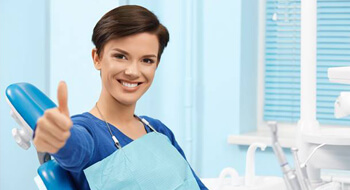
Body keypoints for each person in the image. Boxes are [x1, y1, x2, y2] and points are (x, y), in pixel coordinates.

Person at [34, 5, 208, 190]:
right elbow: (75, 149)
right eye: (120, 56)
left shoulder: (158, 130)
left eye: (147, 60)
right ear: (97, 58)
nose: (133, 71)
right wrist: (60, 139)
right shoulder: (88, 132)